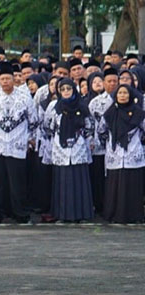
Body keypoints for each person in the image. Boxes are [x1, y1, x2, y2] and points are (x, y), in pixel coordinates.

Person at [0, 63, 38, 224]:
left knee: (18, 183)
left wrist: (30, 140)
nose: (5, 81)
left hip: (17, 144)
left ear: (14, 79)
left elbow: (33, 121)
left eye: (8, 78)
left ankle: (21, 214)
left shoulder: (24, 96)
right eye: (2, 78)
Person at [44, 78, 94, 222]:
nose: (66, 92)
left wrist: (80, 137)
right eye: (63, 89)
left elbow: (90, 126)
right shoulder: (54, 106)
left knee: (79, 181)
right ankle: (63, 215)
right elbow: (47, 126)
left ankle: (81, 214)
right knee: (62, 181)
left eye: (69, 89)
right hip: (61, 148)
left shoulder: (82, 106)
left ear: (74, 89)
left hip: (78, 148)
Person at [99, 84, 145, 223]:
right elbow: (101, 130)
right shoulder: (110, 113)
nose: (123, 96)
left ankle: (134, 215)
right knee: (115, 186)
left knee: (132, 186)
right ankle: (114, 214)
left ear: (131, 95)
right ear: (116, 96)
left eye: (125, 93)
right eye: (120, 93)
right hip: (115, 154)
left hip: (133, 153)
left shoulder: (139, 113)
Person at [88, 68, 119, 215]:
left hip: (118, 147)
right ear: (104, 83)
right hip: (99, 146)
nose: (112, 84)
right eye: (109, 81)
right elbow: (90, 124)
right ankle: (99, 206)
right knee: (99, 178)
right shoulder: (95, 102)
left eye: (115, 81)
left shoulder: (123, 98)